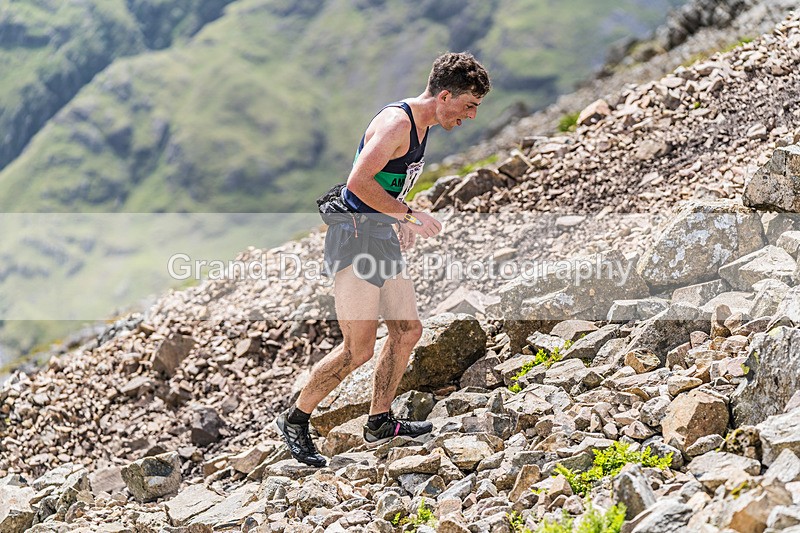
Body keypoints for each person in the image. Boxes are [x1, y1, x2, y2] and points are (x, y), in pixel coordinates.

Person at [275, 52, 491, 467]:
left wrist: (397, 214)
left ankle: (379, 422)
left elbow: (387, 181)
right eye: (468, 105)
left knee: (407, 330)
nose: (471, 116)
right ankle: (295, 419)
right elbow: (357, 183)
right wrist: (408, 214)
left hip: (380, 234)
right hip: (356, 238)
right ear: (445, 96)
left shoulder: (423, 126)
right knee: (357, 349)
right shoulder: (397, 123)